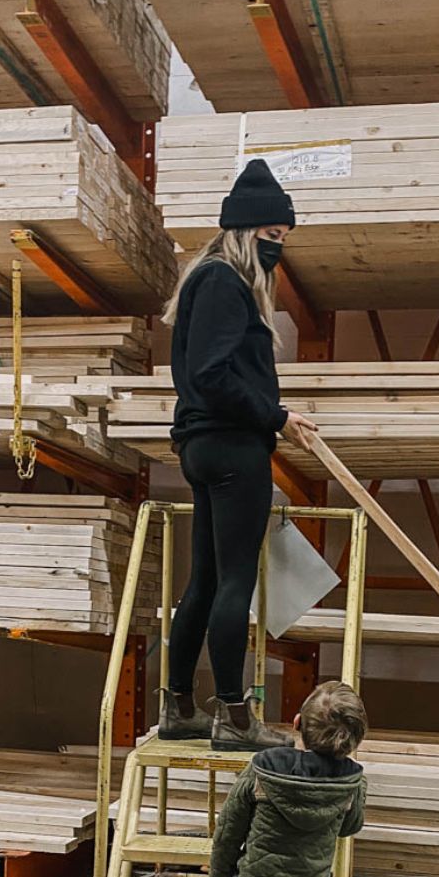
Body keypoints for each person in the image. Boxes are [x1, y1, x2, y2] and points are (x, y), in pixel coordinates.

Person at [158, 158, 318, 750]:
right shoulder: (226, 281)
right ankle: (235, 716)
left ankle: (178, 708)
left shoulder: (205, 278)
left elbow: (203, 375)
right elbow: (213, 375)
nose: (278, 248)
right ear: (248, 231)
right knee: (234, 582)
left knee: (204, 580)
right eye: (273, 236)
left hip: (202, 445)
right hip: (232, 447)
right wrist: (277, 416)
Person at [208, 681, 368, 877]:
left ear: (297, 723)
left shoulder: (264, 769)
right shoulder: (351, 782)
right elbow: (349, 827)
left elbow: (229, 831)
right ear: (355, 739)